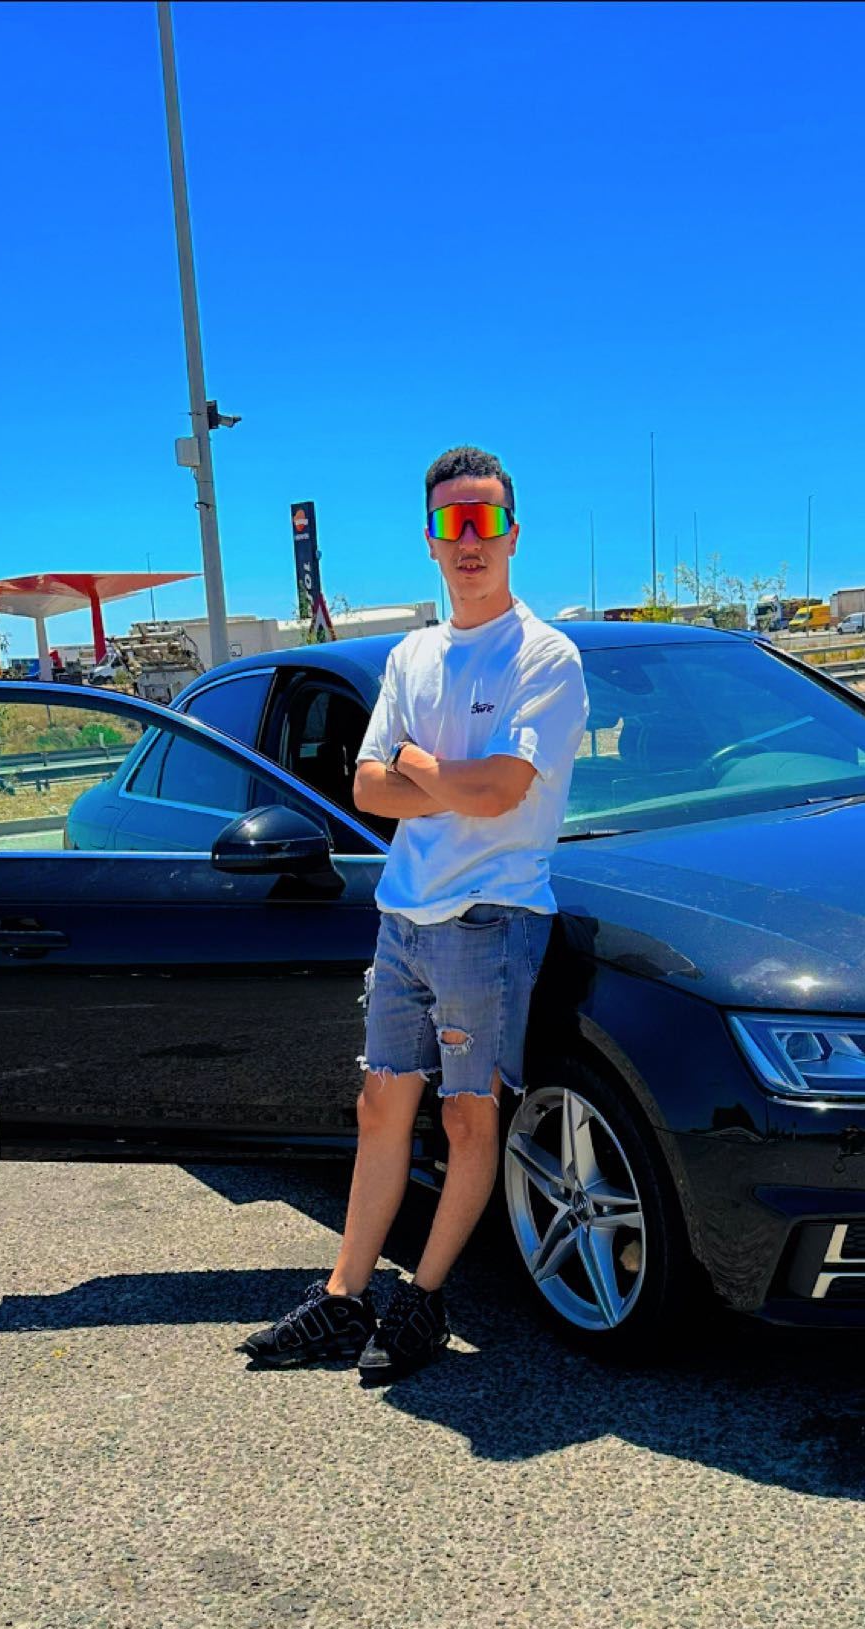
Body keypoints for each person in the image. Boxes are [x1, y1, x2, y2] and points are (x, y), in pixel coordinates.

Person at [244, 445, 589, 1384]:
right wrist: (453, 783)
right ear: (430, 540)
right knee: (381, 1106)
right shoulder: (411, 657)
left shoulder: (544, 657)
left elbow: (502, 791)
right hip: (404, 917)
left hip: (490, 918)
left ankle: (425, 1299)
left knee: (471, 1120)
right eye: (451, 523)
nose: (469, 540)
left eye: (485, 521)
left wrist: (424, 770)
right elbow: (366, 788)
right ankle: (344, 1295)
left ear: (513, 534)